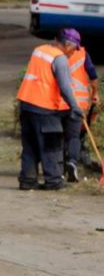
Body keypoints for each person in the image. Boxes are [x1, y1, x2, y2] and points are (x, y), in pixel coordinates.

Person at [15, 30, 85, 190]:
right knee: (51, 145)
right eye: (74, 49)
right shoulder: (59, 59)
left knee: (30, 145)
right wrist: (75, 107)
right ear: (67, 45)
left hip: (26, 104)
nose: (73, 52)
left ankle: (28, 180)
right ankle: (53, 181)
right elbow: (65, 87)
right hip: (44, 108)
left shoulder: (39, 50)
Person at [60, 29, 101, 181]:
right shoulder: (83, 54)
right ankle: (72, 162)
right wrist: (95, 93)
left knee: (59, 135)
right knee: (74, 137)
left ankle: (60, 167)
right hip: (78, 103)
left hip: (57, 103)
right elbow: (93, 76)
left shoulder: (55, 54)